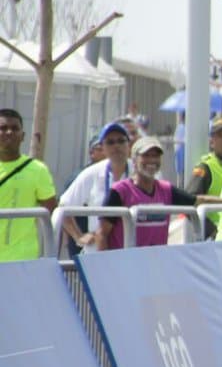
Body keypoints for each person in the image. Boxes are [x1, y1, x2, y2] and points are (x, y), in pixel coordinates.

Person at [97, 136, 222, 250]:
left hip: (156, 267)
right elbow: (102, 234)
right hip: (124, 266)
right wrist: (105, 269)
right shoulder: (119, 192)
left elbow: (198, 201)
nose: (151, 161)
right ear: (134, 159)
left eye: (155, 156)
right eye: (146, 156)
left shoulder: (165, 190)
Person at [59, 120, 134, 252]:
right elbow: (63, 207)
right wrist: (78, 237)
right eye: (110, 142)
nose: (116, 146)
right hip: (97, 252)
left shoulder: (138, 171)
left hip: (132, 249)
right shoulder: (91, 173)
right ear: (103, 147)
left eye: (121, 141)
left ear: (129, 145)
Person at [0, 108, 57, 262]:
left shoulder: (38, 170)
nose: (9, 133)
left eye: (14, 128)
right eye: (3, 128)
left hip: (23, 258)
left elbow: (50, 210)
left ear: (23, 136)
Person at [188, 116, 222, 239]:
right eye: (221, 136)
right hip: (215, 241)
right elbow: (189, 202)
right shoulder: (206, 167)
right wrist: (211, 231)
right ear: (212, 141)